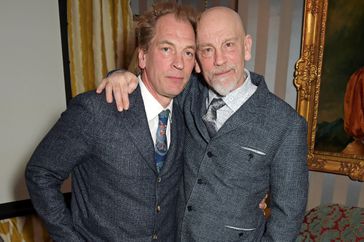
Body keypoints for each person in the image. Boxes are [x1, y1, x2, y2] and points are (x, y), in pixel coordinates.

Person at [98, 6, 309, 241]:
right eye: (207, 50)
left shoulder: (286, 124)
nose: (219, 60)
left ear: (246, 47)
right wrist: (118, 75)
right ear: (197, 61)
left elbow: (288, 217)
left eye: (228, 45)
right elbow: (151, 79)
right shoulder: (185, 93)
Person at [25, 3, 197, 241]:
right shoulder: (96, 110)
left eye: (188, 52)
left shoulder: (186, 115)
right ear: (143, 56)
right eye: (167, 49)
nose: (179, 63)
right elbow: (40, 173)